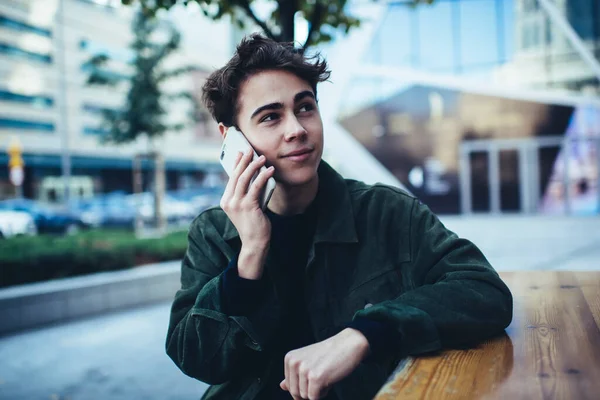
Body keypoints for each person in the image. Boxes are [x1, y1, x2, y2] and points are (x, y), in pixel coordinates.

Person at [166, 34, 513, 400]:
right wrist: (250, 253)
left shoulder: (387, 212)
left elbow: (485, 291)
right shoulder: (212, 232)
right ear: (231, 138)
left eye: (305, 108)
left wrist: (366, 333)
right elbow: (196, 359)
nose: (296, 129)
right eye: (270, 117)